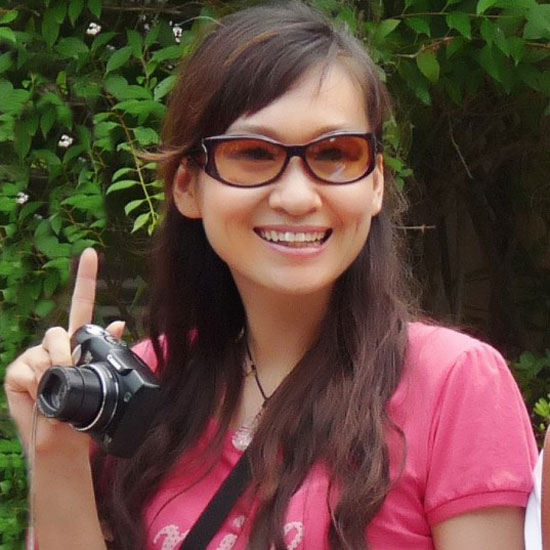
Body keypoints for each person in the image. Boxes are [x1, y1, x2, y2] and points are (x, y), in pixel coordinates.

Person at [4, 2, 538, 549]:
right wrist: (58, 453)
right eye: (253, 154)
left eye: (335, 152)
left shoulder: (453, 385)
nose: (297, 197)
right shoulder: (145, 384)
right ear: (188, 186)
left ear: (375, 182)